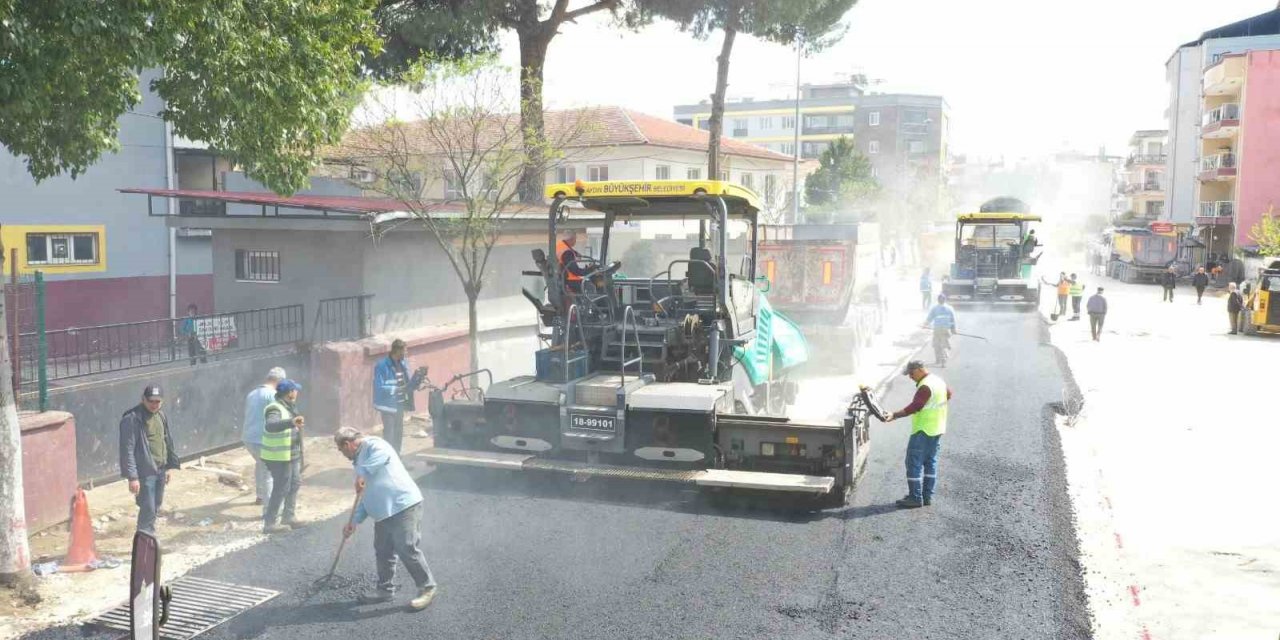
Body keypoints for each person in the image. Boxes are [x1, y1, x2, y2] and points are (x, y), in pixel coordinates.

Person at [336, 427, 438, 611]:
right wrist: (353, 522)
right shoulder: (359, 463)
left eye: (341, 450)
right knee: (383, 551)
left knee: (406, 547)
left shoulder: (374, 445)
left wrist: (362, 473)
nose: (342, 454)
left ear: (347, 444)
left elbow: (382, 457)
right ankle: (385, 590)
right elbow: (365, 497)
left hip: (403, 505)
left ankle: (427, 588)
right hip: (383, 513)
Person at [882, 361, 951, 509]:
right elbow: (949, 394)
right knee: (930, 462)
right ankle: (926, 497)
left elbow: (916, 406)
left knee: (913, 463)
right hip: (937, 428)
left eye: (911, 374)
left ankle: (915, 497)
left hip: (923, 430)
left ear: (920, 370)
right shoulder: (938, 381)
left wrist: (895, 415)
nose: (910, 377)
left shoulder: (925, 386)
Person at [119, 385, 179, 534]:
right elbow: (127, 450)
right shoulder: (132, 419)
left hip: (160, 469)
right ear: (143, 399)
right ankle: (145, 540)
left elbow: (166, 441)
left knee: (156, 505)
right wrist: (132, 477)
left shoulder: (160, 416)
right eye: (151, 401)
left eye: (157, 402)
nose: (154, 405)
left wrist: (168, 467)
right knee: (148, 508)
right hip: (144, 472)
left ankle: (148, 537)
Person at [262, 379, 305, 533]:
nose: (297, 392)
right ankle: (270, 523)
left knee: (295, 483)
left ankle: (289, 516)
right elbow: (271, 425)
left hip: (291, 454)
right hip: (278, 456)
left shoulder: (290, 407)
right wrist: (291, 422)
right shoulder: (274, 408)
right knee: (281, 487)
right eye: (295, 390)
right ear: (290, 392)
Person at [373, 339, 428, 454]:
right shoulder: (381, 366)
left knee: (398, 433)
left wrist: (417, 381)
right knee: (389, 434)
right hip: (387, 406)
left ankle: (397, 458)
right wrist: (397, 389)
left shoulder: (403, 363)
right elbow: (379, 387)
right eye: (404, 351)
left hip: (400, 404)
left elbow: (406, 383)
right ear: (397, 351)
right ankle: (388, 459)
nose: (406, 354)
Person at [243, 367, 287, 506]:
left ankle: (260, 496)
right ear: (279, 381)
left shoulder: (252, 394)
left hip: (248, 438)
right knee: (269, 472)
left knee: (261, 464)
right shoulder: (273, 395)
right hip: (263, 439)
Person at [923, 294, 957, 366]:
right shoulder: (949, 308)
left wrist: (925, 325)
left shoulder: (934, 308)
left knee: (936, 344)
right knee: (942, 344)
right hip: (945, 330)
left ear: (938, 300)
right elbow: (953, 319)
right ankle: (941, 359)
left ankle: (940, 360)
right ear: (945, 300)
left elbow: (929, 318)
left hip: (937, 329)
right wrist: (953, 329)